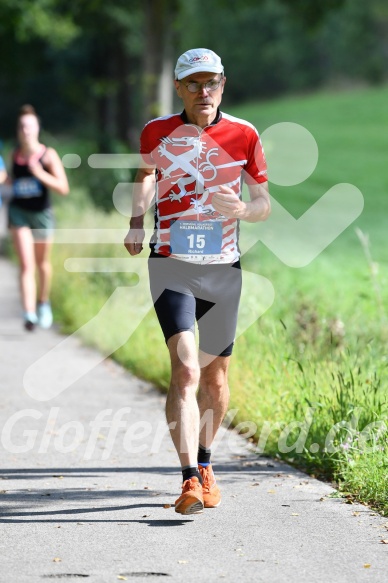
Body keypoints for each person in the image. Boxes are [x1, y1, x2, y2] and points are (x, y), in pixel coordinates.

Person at [124, 48, 270, 515]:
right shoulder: (157, 131)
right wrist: (135, 219)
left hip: (223, 267)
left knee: (216, 376)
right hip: (171, 262)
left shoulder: (244, 134)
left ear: (223, 85)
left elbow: (263, 202)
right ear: (179, 88)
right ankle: (188, 478)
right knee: (185, 368)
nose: (203, 92)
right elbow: (146, 176)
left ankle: (206, 464)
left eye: (211, 83)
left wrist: (243, 209)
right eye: (193, 84)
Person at [8, 104, 69, 331]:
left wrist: (40, 173)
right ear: (18, 130)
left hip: (42, 214)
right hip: (19, 212)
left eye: (30, 126)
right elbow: (12, 184)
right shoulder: (14, 154)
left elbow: (63, 188)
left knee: (42, 264)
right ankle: (29, 313)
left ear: (37, 129)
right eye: (22, 126)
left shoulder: (48, 155)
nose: (26, 131)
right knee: (26, 264)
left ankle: (43, 302)